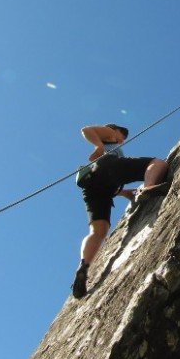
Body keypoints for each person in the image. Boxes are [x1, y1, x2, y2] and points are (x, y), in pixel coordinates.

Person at [71, 123, 169, 299]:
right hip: (107, 167)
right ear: (115, 130)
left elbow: (108, 182)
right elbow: (85, 130)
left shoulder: (112, 142)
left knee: (98, 232)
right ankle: (149, 187)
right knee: (157, 162)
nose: (123, 139)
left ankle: (83, 266)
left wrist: (124, 193)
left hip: (95, 186)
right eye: (122, 135)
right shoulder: (109, 134)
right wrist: (99, 146)